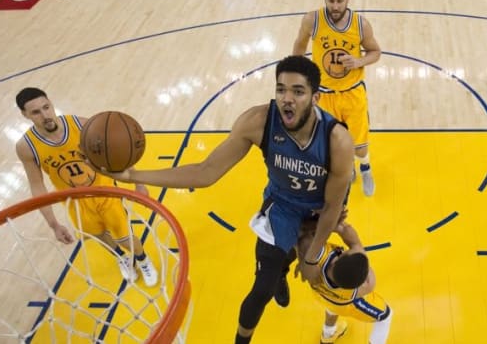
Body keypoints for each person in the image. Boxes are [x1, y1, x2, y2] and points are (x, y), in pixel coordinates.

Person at [95, 56, 354, 344]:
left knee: (308, 260)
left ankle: (288, 262)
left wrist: (312, 256)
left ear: (316, 97)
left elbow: (333, 206)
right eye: (281, 90)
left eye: (297, 91)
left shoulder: (337, 140)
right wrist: (133, 175)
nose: (287, 99)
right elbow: (205, 172)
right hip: (281, 207)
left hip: (319, 210)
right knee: (262, 289)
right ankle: (243, 337)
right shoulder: (258, 122)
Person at [15, 87, 158, 287]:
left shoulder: (81, 125)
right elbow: (37, 186)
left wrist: (139, 183)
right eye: (36, 112)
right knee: (101, 238)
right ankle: (122, 258)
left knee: (125, 237)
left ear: (51, 103)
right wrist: (53, 224)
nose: (45, 115)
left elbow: (116, 151)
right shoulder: (26, 147)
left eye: (46, 107)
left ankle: (142, 259)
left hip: (106, 193)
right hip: (76, 203)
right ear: (25, 115)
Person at [293, 0, 382, 196]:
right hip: (324, 95)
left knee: (360, 146)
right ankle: (348, 167)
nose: (335, 6)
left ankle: (365, 167)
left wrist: (359, 61)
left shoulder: (361, 24)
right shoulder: (312, 20)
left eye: (339, 0)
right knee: (334, 143)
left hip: (352, 93)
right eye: (330, 0)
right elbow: (299, 46)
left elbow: (376, 52)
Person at [296, 221, 392, 344]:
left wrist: (329, 223)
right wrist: (357, 246)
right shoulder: (352, 291)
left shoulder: (317, 258)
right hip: (343, 304)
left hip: (321, 295)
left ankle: (328, 335)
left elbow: (302, 235)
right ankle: (328, 334)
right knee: (385, 317)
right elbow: (370, 282)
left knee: (331, 308)